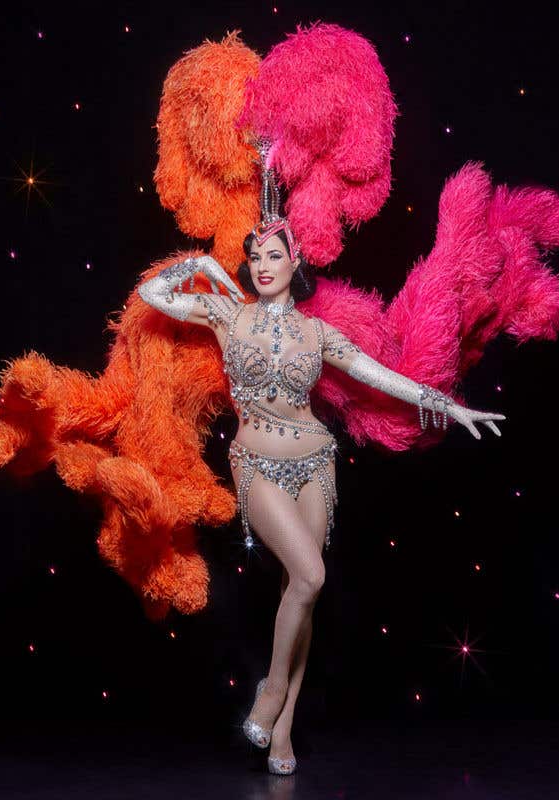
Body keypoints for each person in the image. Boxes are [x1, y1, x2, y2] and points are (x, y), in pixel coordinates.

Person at [136, 149, 505, 774]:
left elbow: (378, 373)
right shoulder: (227, 313)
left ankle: (281, 730)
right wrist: (202, 264)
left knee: (298, 592)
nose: (261, 266)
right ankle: (271, 690)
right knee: (310, 576)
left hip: (315, 463)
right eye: (254, 257)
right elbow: (152, 291)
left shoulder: (317, 336)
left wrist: (446, 404)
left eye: (273, 255)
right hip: (257, 461)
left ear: (295, 261)